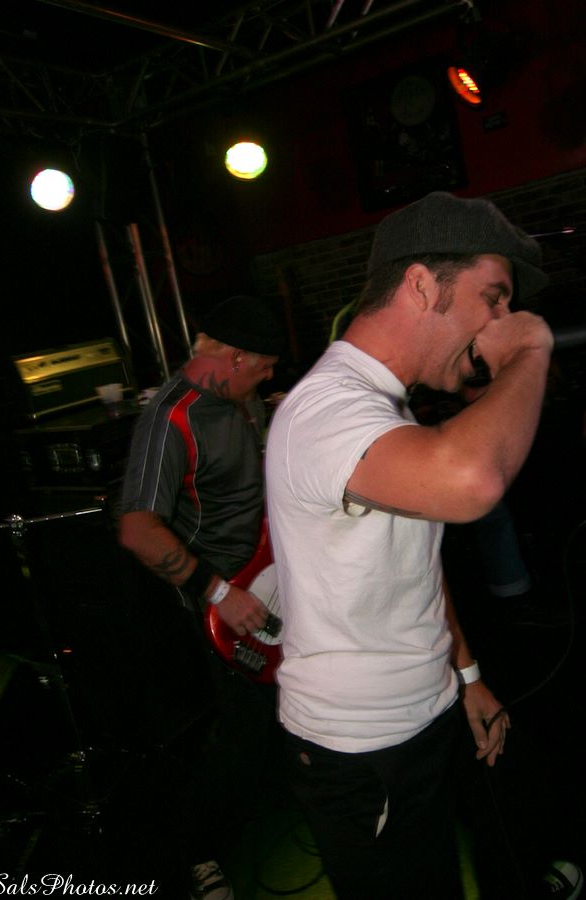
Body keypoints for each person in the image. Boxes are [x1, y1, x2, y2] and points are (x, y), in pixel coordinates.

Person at [265, 192, 581, 899]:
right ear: (420, 284)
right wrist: (530, 348)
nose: (501, 321)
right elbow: (471, 481)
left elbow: (417, 564)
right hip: (362, 747)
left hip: (424, 708)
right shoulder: (327, 409)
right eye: (493, 298)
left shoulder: (387, 404)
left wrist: (464, 674)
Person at [119, 294, 283, 900]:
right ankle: (195, 854)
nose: (270, 375)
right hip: (221, 601)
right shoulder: (170, 417)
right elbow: (138, 529)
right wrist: (219, 592)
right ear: (235, 357)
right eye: (264, 365)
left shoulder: (240, 400)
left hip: (271, 579)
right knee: (242, 732)